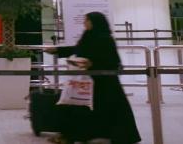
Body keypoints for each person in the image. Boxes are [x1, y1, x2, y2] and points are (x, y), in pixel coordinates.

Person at [47, 12, 141, 144]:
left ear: (95, 22)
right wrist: (57, 50)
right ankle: (73, 136)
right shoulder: (88, 36)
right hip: (88, 80)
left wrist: (93, 63)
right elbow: (78, 49)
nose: (84, 23)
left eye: (87, 20)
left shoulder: (106, 39)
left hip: (106, 83)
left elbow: (114, 62)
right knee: (81, 107)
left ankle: (120, 136)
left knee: (111, 110)